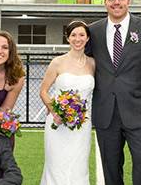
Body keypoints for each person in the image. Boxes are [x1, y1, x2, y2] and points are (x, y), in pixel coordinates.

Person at [87, 0, 141, 185]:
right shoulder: (93, 31)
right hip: (106, 113)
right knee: (111, 170)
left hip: (140, 113)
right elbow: (83, 63)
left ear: (128, 1)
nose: (116, 2)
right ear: (105, 3)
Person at [39, 21, 95, 185]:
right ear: (68, 38)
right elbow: (43, 91)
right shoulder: (57, 62)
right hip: (58, 124)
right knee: (56, 165)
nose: (78, 39)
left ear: (87, 38)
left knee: (79, 165)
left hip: (81, 125)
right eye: (73, 35)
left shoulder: (93, 63)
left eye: (81, 35)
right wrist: (55, 111)